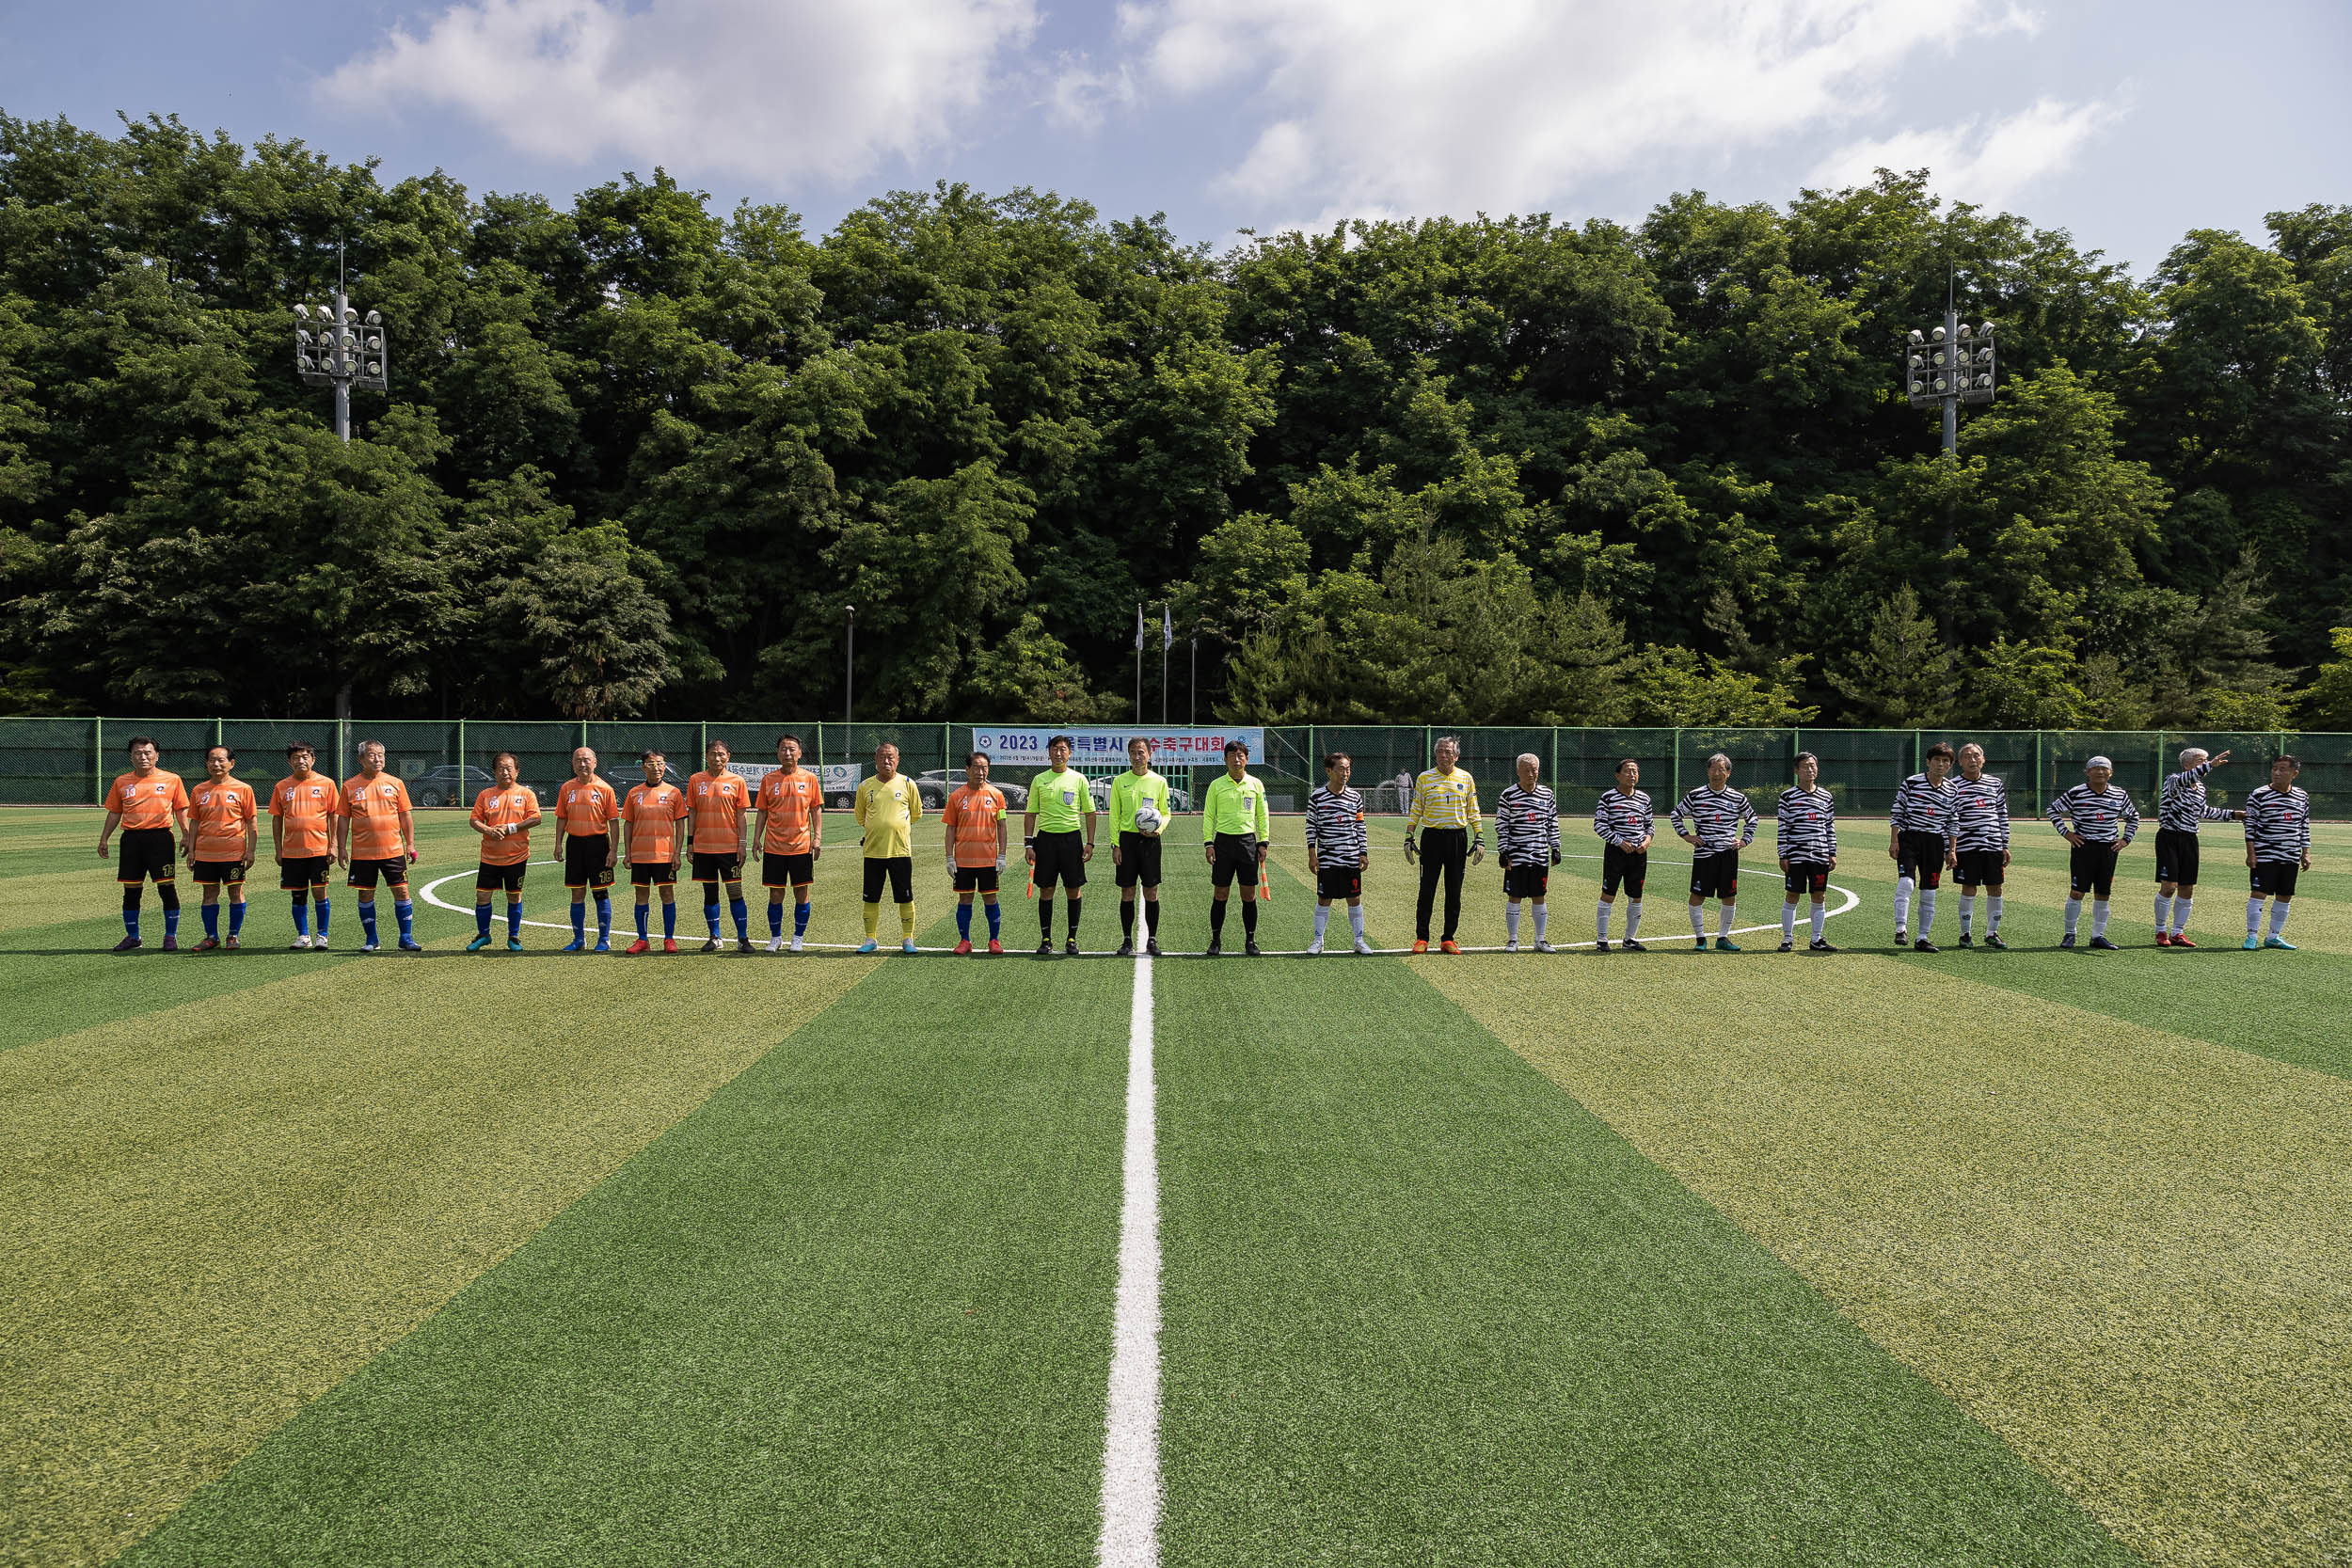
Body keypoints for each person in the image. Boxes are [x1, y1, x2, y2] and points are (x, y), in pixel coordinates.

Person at [96, 735, 189, 952]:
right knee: (131, 890)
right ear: (131, 757)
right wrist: (104, 838)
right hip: (131, 840)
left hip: (161, 839)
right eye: (138, 753)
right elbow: (115, 812)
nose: (143, 757)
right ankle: (133, 936)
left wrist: (187, 835)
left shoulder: (172, 779)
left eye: (147, 752)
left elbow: (181, 809)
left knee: (166, 887)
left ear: (157, 755)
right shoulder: (121, 781)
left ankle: (170, 936)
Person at [2047, 755, 2138, 950]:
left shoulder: (2119, 794)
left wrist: (2125, 839)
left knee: (2103, 893)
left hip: (2108, 848)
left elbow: (2133, 817)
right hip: (2084, 847)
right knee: (2077, 891)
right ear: (2088, 772)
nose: (2100, 772)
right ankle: (2070, 934)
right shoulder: (2077, 793)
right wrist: (2066, 833)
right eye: (2095, 768)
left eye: (2104, 769)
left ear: (2111, 773)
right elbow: (2053, 810)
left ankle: (2098, 936)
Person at [2153, 747, 2243, 947]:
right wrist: (2211, 766)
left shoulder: (2200, 788)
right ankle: (2160, 930)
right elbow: (2184, 780)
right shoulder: (2173, 780)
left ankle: (2178, 932)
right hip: (2169, 837)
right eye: (2200, 761)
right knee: (2169, 887)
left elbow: (2203, 811)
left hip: (2190, 839)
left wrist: (2234, 815)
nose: (2204, 763)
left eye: (2206, 760)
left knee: (2187, 888)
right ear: (2187, 765)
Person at [338, 739, 420, 954]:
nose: (377, 759)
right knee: (365, 895)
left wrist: (409, 844)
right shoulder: (349, 786)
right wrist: (341, 848)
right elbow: (343, 819)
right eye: (372, 755)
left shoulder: (396, 783)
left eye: (380, 755)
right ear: (361, 759)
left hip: (392, 850)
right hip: (363, 854)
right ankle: (371, 939)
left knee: (402, 891)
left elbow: (405, 815)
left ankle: (406, 938)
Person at [1672, 752, 1757, 951]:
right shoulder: (1696, 795)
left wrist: (1745, 840)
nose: (1717, 773)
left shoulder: (1737, 797)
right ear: (1708, 771)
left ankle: (1723, 938)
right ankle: (1700, 938)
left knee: (1729, 896)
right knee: (1697, 895)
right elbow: (1676, 815)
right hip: (1705, 854)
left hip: (1728, 854)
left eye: (1721, 769)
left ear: (1728, 773)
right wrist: (1687, 836)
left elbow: (1752, 818)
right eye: (1713, 769)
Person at [1406, 736, 1482, 954]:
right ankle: (1422, 938)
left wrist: (1479, 836)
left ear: (1456, 756)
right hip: (1431, 838)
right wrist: (1409, 835)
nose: (1443, 755)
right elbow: (1416, 808)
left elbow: (1473, 810)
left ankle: (1448, 938)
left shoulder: (1466, 778)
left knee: (1454, 889)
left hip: (1457, 838)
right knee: (1426, 889)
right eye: (1439, 751)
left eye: (1447, 751)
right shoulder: (1424, 778)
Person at [1024, 735, 1097, 956]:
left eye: (1062, 749)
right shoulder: (1039, 780)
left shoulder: (1079, 779)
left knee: (1073, 890)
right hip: (1045, 840)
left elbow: (1091, 813)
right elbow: (1030, 814)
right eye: (1054, 749)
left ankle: (1072, 939)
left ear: (1069, 753)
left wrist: (1090, 843)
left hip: (1071, 840)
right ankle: (1046, 939)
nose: (1058, 753)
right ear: (1048, 752)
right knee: (1046, 890)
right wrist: (1028, 844)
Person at [1200, 738, 1271, 956]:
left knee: (1248, 895)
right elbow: (1208, 815)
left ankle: (1250, 941)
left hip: (1248, 843)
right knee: (1220, 893)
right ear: (1225, 760)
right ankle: (1215, 940)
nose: (1236, 760)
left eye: (1240, 756)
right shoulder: (1216, 785)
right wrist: (1208, 843)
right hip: (1223, 843)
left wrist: (1263, 841)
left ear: (1247, 759)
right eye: (1232, 756)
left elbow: (1263, 814)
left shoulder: (1256, 784)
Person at [754, 734, 822, 953]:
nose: (788, 753)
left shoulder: (809, 778)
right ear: (778, 752)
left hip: (801, 846)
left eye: (792, 749)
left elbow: (815, 810)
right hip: (774, 847)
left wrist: (817, 837)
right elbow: (762, 812)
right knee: (775, 895)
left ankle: (798, 937)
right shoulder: (768, 779)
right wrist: (756, 838)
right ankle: (775, 938)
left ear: (800, 753)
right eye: (783, 749)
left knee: (801, 893)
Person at [186, 744, 258, 951]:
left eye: (221, 760)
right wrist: (192, 851)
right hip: (205, 853)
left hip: (233, 852)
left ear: (231, 763)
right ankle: (211, 936)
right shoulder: (199, 790)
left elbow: (251, 822)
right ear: (206, 763)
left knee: (236, 892)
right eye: (211, 760)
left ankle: (233, 935)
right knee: (209, 893)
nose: (216, 764)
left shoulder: (243, 789)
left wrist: (250, 851)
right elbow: (194, 823)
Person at [854, 741, 923, 954]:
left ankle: (908, 939)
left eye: (891, 757)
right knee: (871, 897)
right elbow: (860, 816)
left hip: (900, 851)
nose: (886, 761)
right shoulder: (865, 786)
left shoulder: (908, 783)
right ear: (875, 760)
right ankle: (870, 939)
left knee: (905, 896)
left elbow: (916, 813)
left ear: (898, 760)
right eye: (882, 757)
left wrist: (896, 827)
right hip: (873, 852)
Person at [270, 742, 341, 950]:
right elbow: (277, 819)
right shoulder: (282, 786)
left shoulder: (326, 784)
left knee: (320, 892)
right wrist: (278, 849)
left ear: (313, 759)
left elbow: (334, 816)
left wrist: (334, 845)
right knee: (297, 894)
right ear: (289, 761)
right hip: (292, 851)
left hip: (319, 849)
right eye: (295, 757)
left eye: (305, 756)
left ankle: (322, 936)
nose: (300, 761)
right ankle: (303, 936)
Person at [469, 752, 541, 952]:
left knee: (514, 896)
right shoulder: (485, 795)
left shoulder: (526, 794)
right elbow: (474, 819)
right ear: (494, 772)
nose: (505, 772)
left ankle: (513, 937)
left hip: (516, 856)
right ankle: (484, 935)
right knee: (482, 896)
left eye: (509, 768)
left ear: (517, 771)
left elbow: (536, 818)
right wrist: (488, 830)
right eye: (501, 768)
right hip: (490, 857)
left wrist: (511, 828)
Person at [1108, 737, 1174, 957]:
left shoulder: (1159, 781)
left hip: (1150, 842)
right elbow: (1114, 815)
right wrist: (1115, 844)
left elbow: (1165, 813)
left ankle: (1152, 940)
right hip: (1127, 841)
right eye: (1133, 753)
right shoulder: (1120, 781)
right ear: (1128, 755)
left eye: (1141, 752)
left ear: (1149, 754)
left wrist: (1159, 829)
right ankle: (1127, 940)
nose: (1137, 757)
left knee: (1151, 891)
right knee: (1127, 891)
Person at [686, 739, 753, 953]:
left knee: (735, 892)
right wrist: (690, 843)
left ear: (728, 756)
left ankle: (742, 938)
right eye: (713, 754)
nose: (717, 758)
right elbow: (692, 813)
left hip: (729, 848)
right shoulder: (696, 780)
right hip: (704, 847)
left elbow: (741, 815)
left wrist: (742, 844)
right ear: (706, 756)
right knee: (710, 893)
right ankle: (715, 937)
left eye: (721, 754)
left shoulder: (737, 781)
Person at [1889, 741, 1957, 951]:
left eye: (1945, 761)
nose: (1940, 764)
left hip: (1935, 843)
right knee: (1907, 883)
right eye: (1937, 760)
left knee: (1929, 891)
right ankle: (1901, 928)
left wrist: (1951, 850)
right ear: (1928, 761)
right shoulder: (1912, 783)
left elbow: (1952, 822)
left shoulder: (1952, 790)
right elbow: (1897, 811)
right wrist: (1894, 840)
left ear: (1950, 765)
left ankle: (1922, 937)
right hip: (1909, 838)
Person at [941, 751, 1009, 956]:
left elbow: (1002, 826)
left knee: (991, 900)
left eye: (984, 768)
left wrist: (1002, 855)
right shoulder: (956, 796)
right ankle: (965, 941)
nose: (981, 772)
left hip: (988, 860)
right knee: (964, 900)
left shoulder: (996, 795)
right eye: (977, 767)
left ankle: (994, 941)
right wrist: (949, 857)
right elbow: (950, 828)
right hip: (963, 861)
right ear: (967, 769)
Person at [622, 750, 690, 954]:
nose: (656, 768)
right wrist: (627, 852)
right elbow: (628, 824)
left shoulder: (673, 792)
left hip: (665, 855)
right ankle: (642, 939)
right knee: (641, 895)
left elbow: (680, 824)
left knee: (667, 894)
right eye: (651, 764)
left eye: (660, 763)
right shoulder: (634, 793)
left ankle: (669, 939)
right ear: (643, 767)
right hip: (641, 855)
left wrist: (678, 853)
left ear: (665, 766)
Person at [2241, 755, 2312, 950]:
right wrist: (2251, 853)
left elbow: (2304, 825)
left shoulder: (2301, 796)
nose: (2277, 772)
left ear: (2294, 773)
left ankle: (2273, 936)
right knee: (2259, 893)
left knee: (2285, 895)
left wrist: (2306, 852)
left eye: (2282, 769)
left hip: (2289, 855)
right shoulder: (2259, 794)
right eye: (2274, 769)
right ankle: (2251, 936)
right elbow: (2250, 826)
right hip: (2265, 854)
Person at [554, 746, 621, 953]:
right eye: (578, 760)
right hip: (574, 844)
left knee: (600, 892)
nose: (582, 764)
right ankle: (578, 939)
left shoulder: (605, 789)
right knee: (577, 894)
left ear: (595, 762)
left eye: (586, 760)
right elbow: (562, 817)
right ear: (573, 764)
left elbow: (614, 822)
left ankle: (604, 939)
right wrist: (558, 843)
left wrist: (613, 851)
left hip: (598, 845)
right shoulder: (566, 788)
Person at [1304, 752, 1371, 956]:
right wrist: (1312, 854)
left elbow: (1360, 826)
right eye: (1341, 768)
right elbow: (1311, 827)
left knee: (1355, 899)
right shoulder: (1317, 796)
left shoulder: (1355, 797)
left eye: (1348, 768)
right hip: (1328, 858)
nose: (1345, 773)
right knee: (1325, 899)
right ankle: (1318, 941)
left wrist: (1363, 852)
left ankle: (1359, 941)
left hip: (1351, 857)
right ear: (1329, 771)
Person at [1495, 752, 1561, 952]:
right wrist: (1503, 851)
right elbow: (1501, 825)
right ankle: (1513, 940)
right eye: (1526, 770)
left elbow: (1552, 823)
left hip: (1539, 855)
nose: (1530, 774)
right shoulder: (1508, 795)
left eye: (1534, 769)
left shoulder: (1547, 795)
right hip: (1516, 856)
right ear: (1518, 772)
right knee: (1514, 896)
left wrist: (1555, 847)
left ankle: (1540, 940)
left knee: (1539, 896)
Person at [1947, 743, 2010, 949]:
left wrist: (2005, 844)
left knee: (1996, 888)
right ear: (1960, 762)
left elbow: (2002, 814)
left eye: (1976, 756)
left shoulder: (1995, 783)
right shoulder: (1953, 786)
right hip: (1966, 847)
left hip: (1992, 845)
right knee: (1969, 888)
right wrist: (1950, 849)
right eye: (1967, 756)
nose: (1972, 760)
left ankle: (1992, 933)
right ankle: (1965, 934)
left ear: (1983, 759)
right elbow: (1948, 819)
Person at [1776, 751, 1838, 952]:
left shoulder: (1826, 796)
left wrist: (1832, 852)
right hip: (1796, 855)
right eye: (1805, 766)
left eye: (1813, 766)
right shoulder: (1787, 797)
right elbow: (1783, 827)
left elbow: (1830, 826)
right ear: (1796, 771)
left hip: (1819, 854)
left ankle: (1816, 939)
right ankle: (1787, 939)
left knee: (1819, 896)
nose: (1810, 769)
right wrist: (1783, 854)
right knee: (1792, 894)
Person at [1593, 758, 1652, 952]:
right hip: (1616, 853)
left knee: (1636, 896)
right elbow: (1599, 825)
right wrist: (1619, 842)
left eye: (1635, 771)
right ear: (1618, 775)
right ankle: (1602, 939)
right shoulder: (1608, 797)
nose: (1632, 775)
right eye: (1627, 771)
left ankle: (1630, 939)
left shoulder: (1644, 799)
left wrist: (1646, 842)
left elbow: (1649, 826)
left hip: (1638, 854)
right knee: (1608, 894)